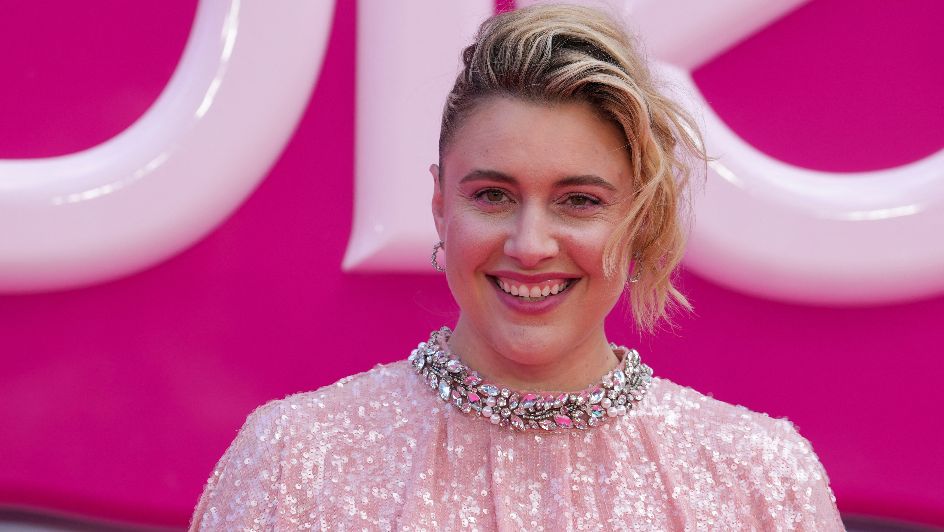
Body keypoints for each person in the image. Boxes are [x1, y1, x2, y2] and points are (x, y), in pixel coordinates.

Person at [189, 5, 843, 530]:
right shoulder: (295, 462)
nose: (530, 245)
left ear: (641, 218)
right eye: (493, 196)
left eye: (579, 201)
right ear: (440, 205)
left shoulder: (759, 480)